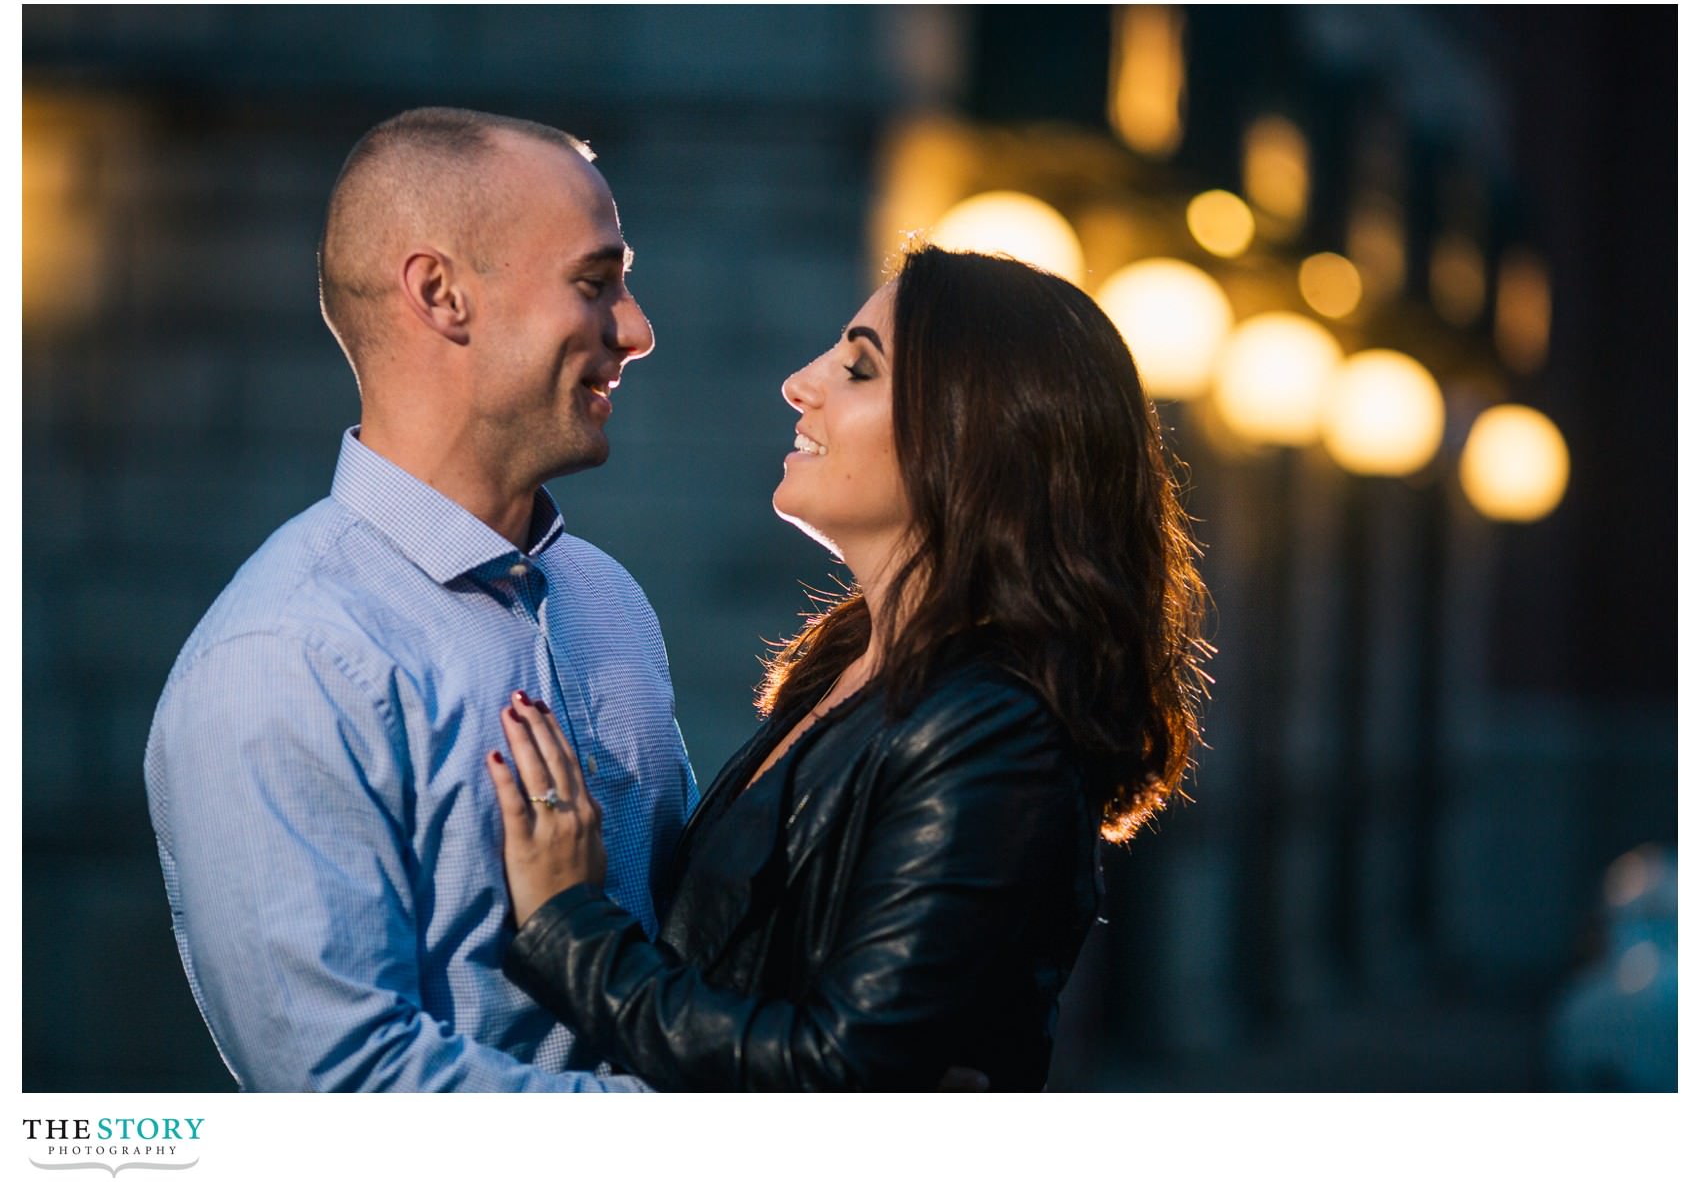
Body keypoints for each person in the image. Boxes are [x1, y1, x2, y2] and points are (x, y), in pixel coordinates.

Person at [487, 245, 1210, 1091]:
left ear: (974, 436)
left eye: (859, 369)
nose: (801, 382)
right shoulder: (847, 668)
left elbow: (843, 1073)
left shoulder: (995, 728)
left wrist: (569, 926)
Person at [143, 108, 696, 1091]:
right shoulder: (283, 655)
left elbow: (689, 950)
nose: (638, 329)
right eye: (595, 281)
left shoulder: (607, 601)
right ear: (442, 294)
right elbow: (349, 1088)